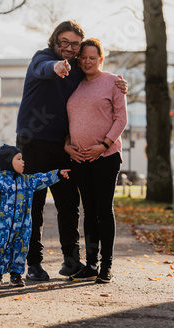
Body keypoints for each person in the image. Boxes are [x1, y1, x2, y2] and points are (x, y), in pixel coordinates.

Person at [15, 20, 127, 281]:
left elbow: (96, 78)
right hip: (33, 142)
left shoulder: (78, 68)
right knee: (35, 204)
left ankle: (71, 259)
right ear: (55, 41)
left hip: (64, 145)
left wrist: (120, 85)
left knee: (69, 202)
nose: (68, 47)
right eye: (64, 42)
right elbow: (43, 69)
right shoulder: (42, 58)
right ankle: (34, 263)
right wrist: (55, 67)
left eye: (74, 44)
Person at [65, 38, 128, 283]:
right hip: (79, 159)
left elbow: (121, 119)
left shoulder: (114, 82)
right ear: (78, 59)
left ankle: (106, 266)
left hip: (105, 157)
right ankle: (90, 264)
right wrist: (67, 145)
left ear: (101, 59)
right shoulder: (73, 84)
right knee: (88, 212)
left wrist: (102, 146)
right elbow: (67, 120)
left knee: (103, 210)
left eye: (93, 57)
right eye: (84, 57)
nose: (88, 61)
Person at [0, 144, 70, 287]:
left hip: (23, 227)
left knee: (20, 250)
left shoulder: (26, 181)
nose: (23, 162)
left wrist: (57, 174)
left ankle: (16, 275)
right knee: (1, 249)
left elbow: (41, 178)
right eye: (19, 159)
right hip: (3, 228)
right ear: (7, 163)